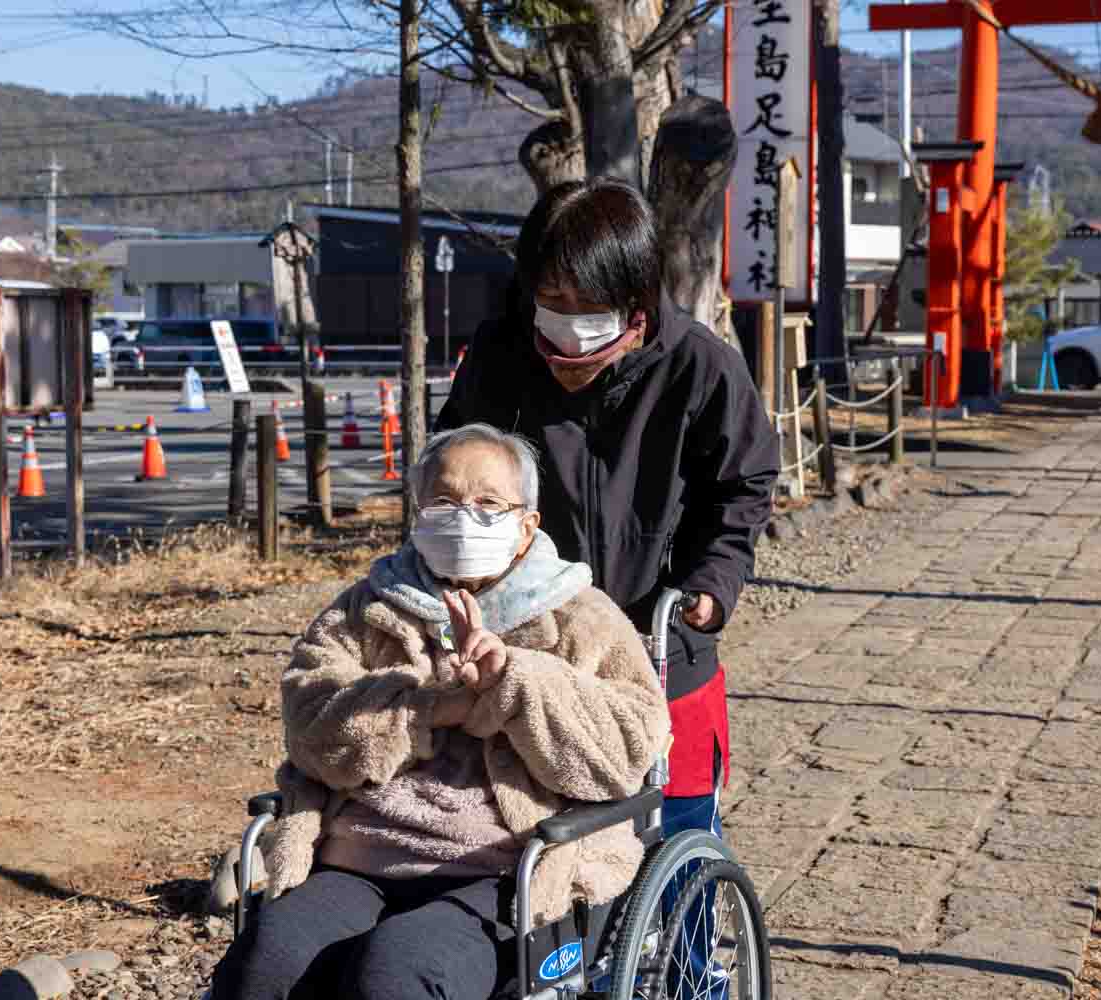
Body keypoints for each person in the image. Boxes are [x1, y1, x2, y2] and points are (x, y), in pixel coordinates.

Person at [211, 423, 670, 1000]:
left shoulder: (583, 617)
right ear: (418, 516)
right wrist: (430, 708)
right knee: (264, 961)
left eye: (487, 504)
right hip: (359, 856)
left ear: (527, 526)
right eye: (445, 502)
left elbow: (629, 751)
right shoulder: (367, 608)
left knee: (398, 973)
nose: (463, 516)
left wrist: (514, 682)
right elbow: (308, 724)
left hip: (507, 869)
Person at [436, 177, 778, 844]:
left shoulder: (699, 368)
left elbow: (743, 485)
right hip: (527, 646)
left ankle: (696, 948)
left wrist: (714, 579)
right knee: (537, 833)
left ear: (636, 298)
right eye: (551, 301)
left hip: (659, 645)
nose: (566, 323)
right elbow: (453, 466)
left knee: (677, 834)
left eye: (588, 306)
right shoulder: (500, 356)